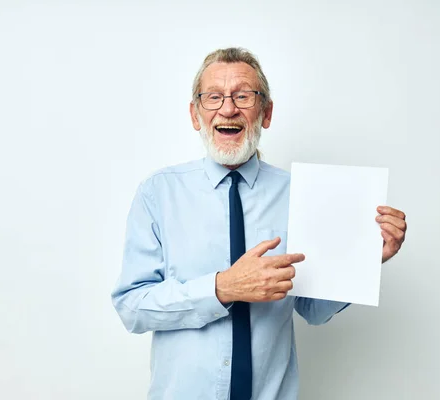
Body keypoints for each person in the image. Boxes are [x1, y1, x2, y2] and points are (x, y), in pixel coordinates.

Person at [111, 47, 407, 400]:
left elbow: (312, 309)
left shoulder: (301, 194)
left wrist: (364, 258)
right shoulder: (158, 193)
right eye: (214, 97)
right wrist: (222, 288)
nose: (228, 108)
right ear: (195, 114)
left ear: (266, 113)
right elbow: (132, 306)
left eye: (243, 95)